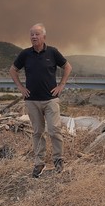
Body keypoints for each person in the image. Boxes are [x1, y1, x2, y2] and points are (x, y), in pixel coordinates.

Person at [9, 23, 72, 178]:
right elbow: (12, 70)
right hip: (32, 101)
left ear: (44, 36)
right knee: (37, 132)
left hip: (50, 100)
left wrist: (61, 85)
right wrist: (21, 88)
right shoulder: (25, 54)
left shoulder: (53, 52)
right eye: (31, 34)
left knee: (54, 130)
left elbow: (68, 67)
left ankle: (58, 160)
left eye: (37, 34)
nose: (34, 37)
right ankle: (39, 163)